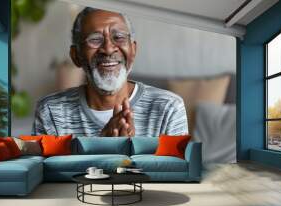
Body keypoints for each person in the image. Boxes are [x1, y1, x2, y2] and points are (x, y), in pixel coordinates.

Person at [32, 7, 188, 137]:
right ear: (76, 56)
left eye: (118, 37)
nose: (108, 49)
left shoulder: (168, 107)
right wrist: (102, 150)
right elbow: (45, 174)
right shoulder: (51, 111)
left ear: (133, 50)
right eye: (94, 39)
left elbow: (174, 173)